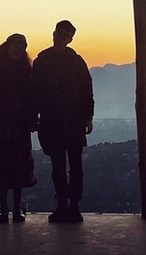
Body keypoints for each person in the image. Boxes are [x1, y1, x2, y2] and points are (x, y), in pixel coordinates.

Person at [31, 19, 94, 223]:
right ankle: (62, 205)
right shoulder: (42, 60)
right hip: (51, 120)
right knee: (57, 166)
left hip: (74, 119)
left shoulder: (76, 60)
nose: (61, 36)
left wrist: (88, 116)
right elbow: (34, 91)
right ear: (54, 33)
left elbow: (86, 89)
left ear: (70, 38)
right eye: (60, 32)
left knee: (75, 166)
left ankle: (74, 205)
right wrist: (34, 116)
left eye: (66, 34)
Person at [0, 33, 37, 223]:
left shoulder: (27, 70)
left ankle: (16, 207)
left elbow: (32, 98)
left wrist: (33, 119)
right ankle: (4, 208)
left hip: (19, 123)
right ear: (8, 45)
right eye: (15, 44)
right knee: (0, 167)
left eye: (21, 45)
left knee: (18, 167)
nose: (17, 49)